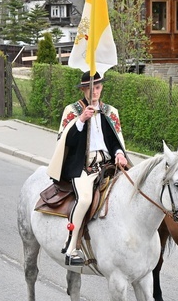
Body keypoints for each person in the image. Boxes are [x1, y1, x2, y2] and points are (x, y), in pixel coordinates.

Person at [46, 71, 130, 266]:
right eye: (91, 88)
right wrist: (81, 121)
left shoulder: (110, 112)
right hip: (83, 166)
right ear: (84, 89)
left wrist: (119, 153)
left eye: (98, 87)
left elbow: (115, 140)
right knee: (84, 199)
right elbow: (65, 141)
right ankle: (71, 246)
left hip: (108, 164)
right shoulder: (72, 111)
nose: (95, 92)